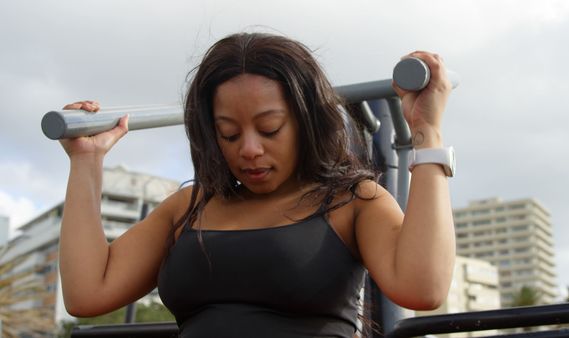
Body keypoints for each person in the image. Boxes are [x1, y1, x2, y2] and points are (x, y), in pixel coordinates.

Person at [58, 32, 456, 338]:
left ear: (306, 122)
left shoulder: (352, 200)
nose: (249, 149)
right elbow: (87, 294)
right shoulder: (187, 207)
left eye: (269, 129)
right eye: (229, 134)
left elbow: (423, 288)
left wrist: (427, 132)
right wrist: (86, 161)